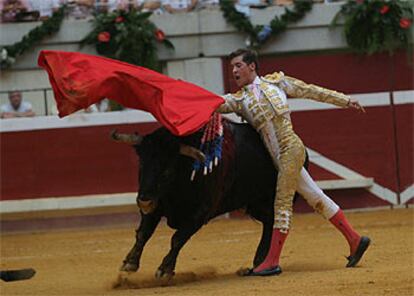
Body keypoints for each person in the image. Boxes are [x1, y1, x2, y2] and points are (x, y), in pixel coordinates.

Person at [217, 49, 370, 276]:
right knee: (315, 196)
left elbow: (311, 91)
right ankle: (355, 240)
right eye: (232, 67)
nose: (234, 71)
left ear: (252, 66)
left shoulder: (278, 83)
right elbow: (211, 104)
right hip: (278, 157)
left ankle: (272, 261)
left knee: (282, 203)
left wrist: (345, 100)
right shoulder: (238, 100)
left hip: (292, 148)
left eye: (238, 65)